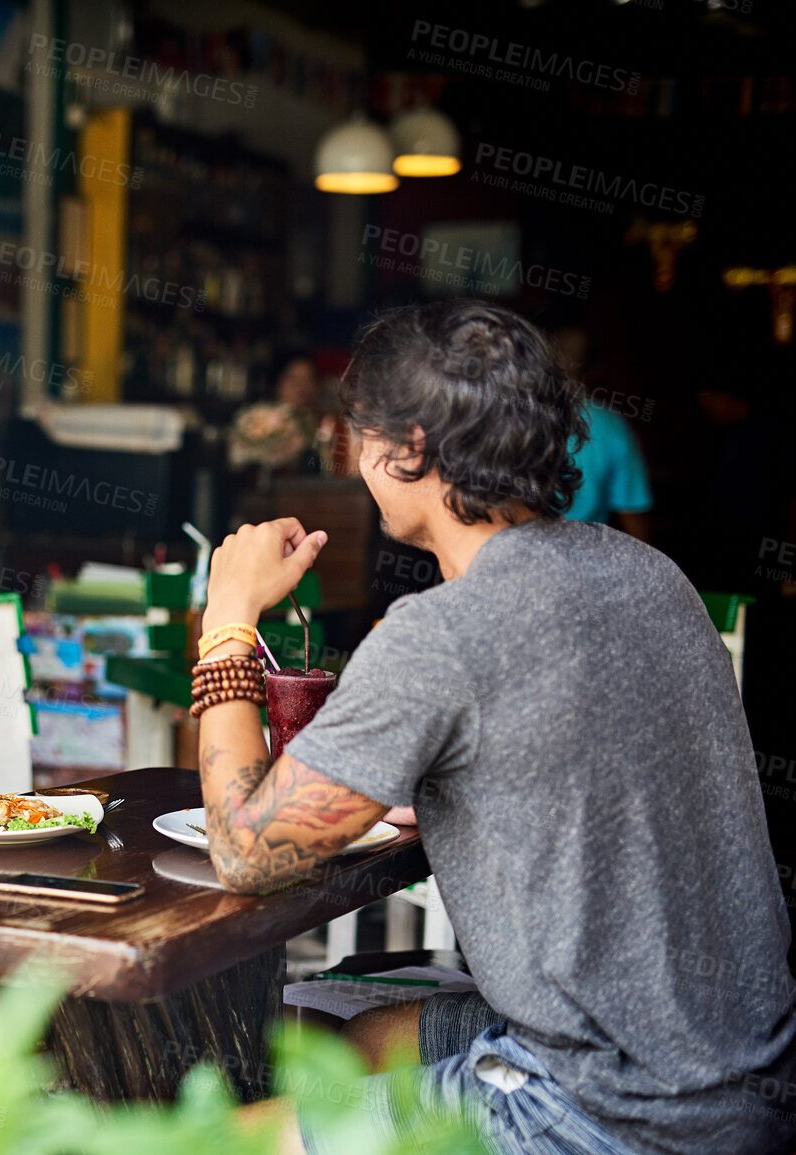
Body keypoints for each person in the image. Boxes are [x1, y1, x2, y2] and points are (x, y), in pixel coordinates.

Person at [192, 300, 795, 1154]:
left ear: (407, 450)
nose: (356, 458)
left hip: (609, 1109)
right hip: (745, 1075)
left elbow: (243, 852)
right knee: (338, 1037)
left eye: (362, 436)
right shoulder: (652, 575)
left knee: (210, 1140)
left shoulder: (443, 632)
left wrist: (226, 618)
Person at [554, 326, 653, 542]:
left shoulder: (509, 415)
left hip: (516, 560)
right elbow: (633, 516)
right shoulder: (612, 425)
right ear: (595, 369)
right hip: (587, 562)